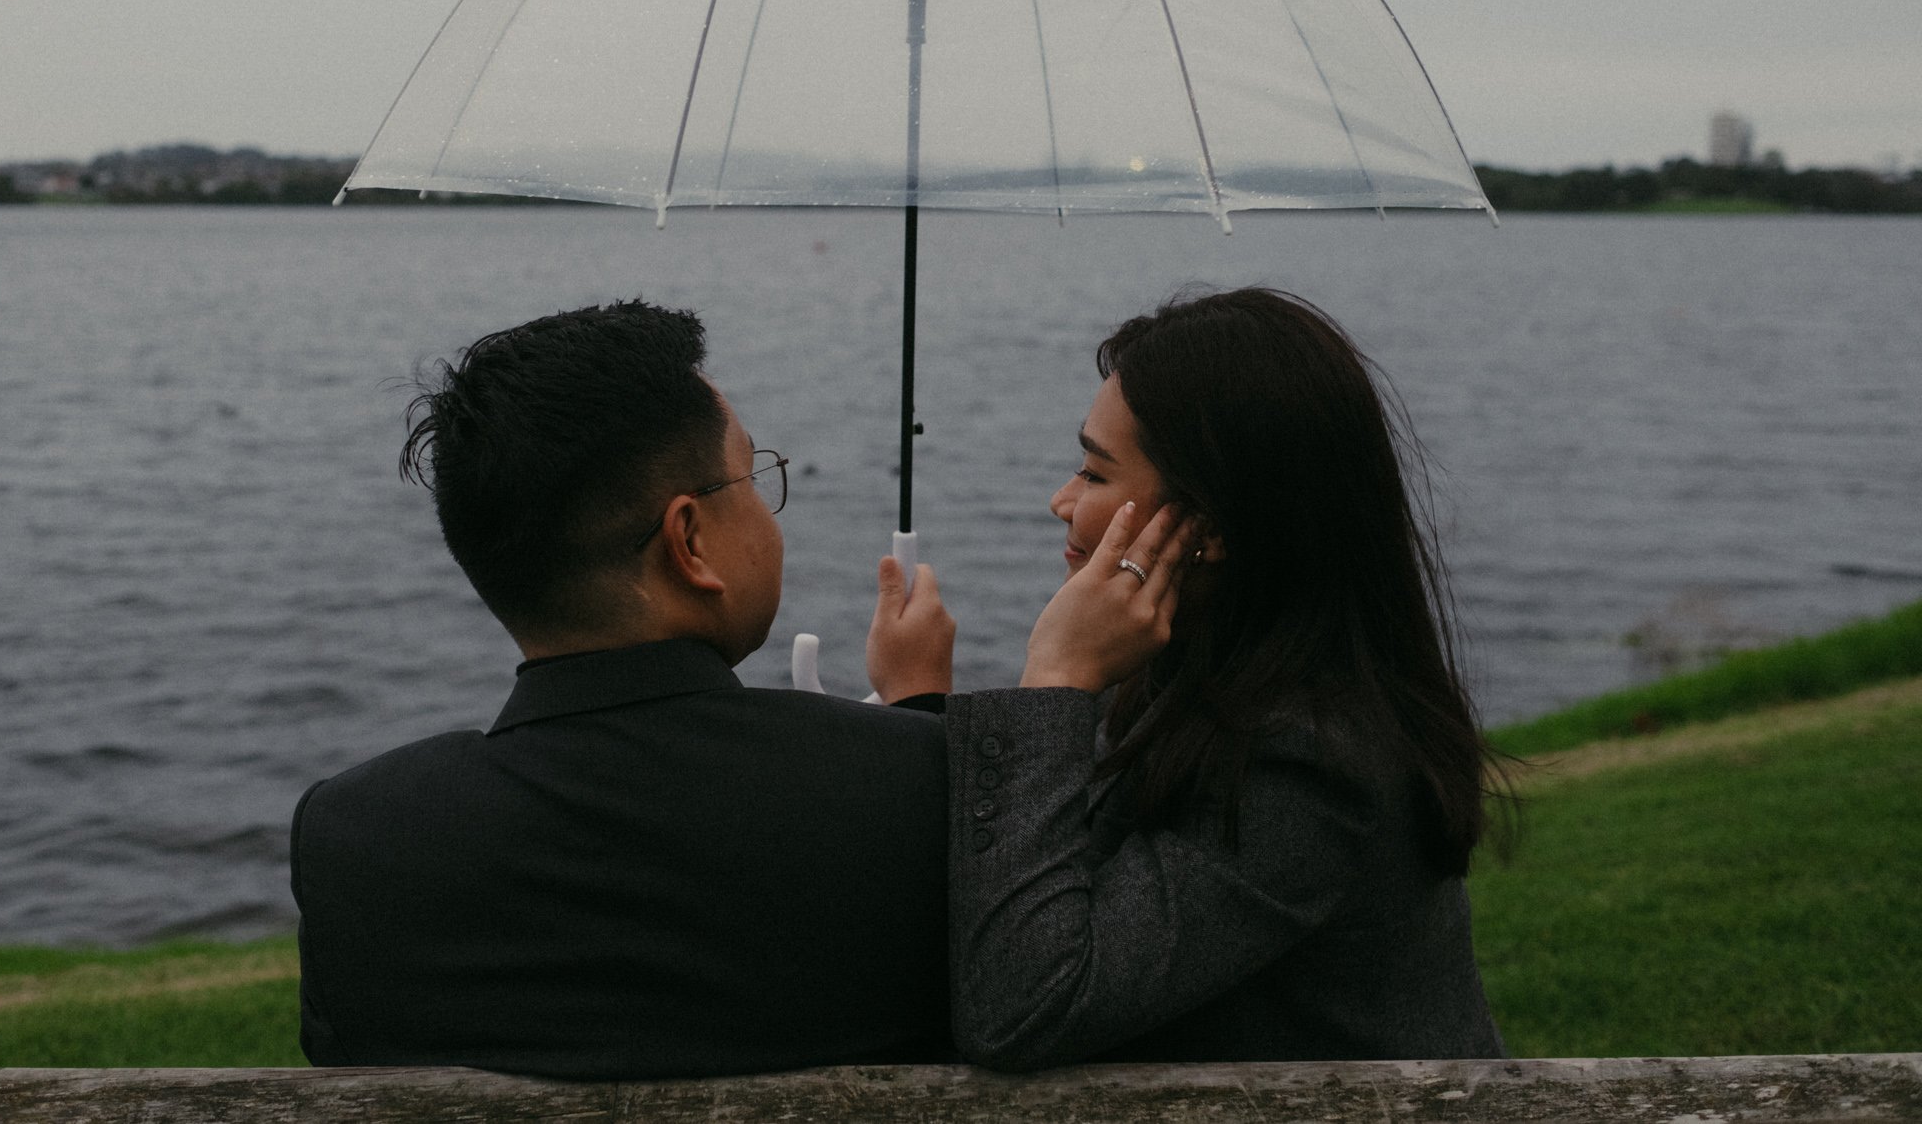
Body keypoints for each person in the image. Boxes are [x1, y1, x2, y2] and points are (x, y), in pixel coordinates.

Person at [289, 301, 958, 1079]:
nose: (769, 513)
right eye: (752, 475)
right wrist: (924, 720)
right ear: (689, 540)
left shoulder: (355, 840)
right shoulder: (909, 783)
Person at [872, 286, 1507, 1069]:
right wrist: (923, 711)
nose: (1060, 499)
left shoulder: (1307, 764)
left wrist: (1055, 678)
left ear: (1203, 527)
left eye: (1095, 473)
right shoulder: (1198, 667)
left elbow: (1022, 1002)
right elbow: (1026, 883)